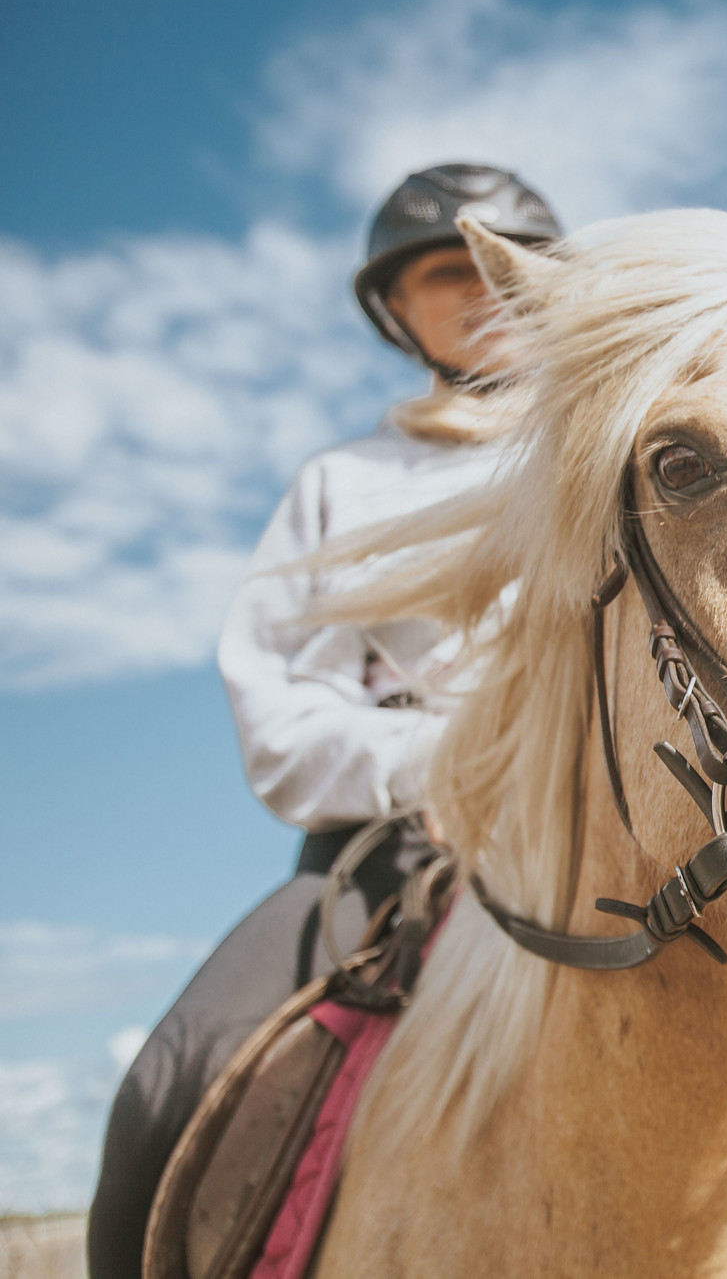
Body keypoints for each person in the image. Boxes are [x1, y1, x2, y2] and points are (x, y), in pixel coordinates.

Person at [86, 163, 562, 1279]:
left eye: (506, 264)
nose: (480, 287)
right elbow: (276, 713)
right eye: (445, 271)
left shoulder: (623, 454)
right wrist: (435, 763)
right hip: (393, 850)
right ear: (397, 310)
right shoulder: (338, 484)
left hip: (626, 827)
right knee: (169, 1086)